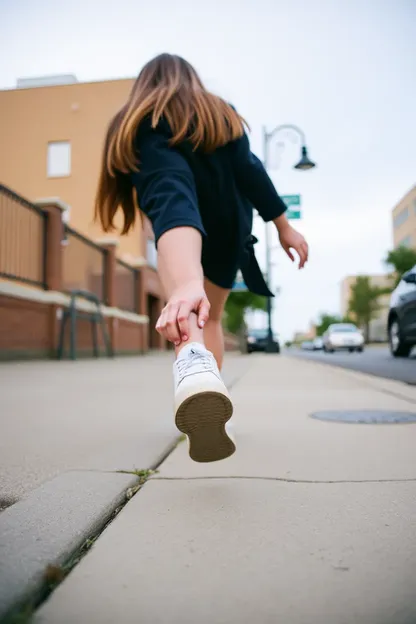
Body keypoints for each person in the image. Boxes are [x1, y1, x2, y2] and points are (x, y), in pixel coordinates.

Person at [95, 53, 309, 464]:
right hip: (230, 222)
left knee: (189, 302)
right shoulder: (219, 114)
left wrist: (186, 280)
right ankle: (212, 394)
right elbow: (251, 170)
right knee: (209, 316)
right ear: (191, 78)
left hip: (180, 226)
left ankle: (193, 370)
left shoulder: (144, 118)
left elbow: (171, 192)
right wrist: (283, 224)